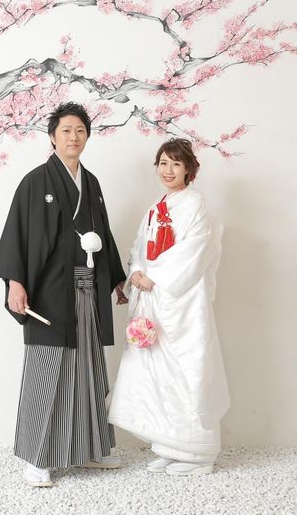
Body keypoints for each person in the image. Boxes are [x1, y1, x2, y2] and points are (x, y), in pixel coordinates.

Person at [0, 102, 127, 487]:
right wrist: (15, 282)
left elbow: (104, 233)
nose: (73, 137)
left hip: (87, 291)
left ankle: (90, 448)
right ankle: (37, 458)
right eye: (66, 130)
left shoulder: (91, 183)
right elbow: (16, 233)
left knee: (88, 369)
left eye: (80, 131)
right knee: (46, 369)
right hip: (50, 291)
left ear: (87, 137)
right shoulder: (36, 181)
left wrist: (116, 278)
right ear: (52, 137)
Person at [108, 138, 230, 476]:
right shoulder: (156, 207)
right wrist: (136, 270)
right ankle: (168, 445)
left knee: (186, 366)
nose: (168, 170)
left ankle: (197, 454)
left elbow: (194, 250)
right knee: (156, 371)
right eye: (163, 163)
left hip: (182, 303)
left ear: (189, 169)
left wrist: (155, 276)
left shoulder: (195, 205)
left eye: (176, 164)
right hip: (154, 301)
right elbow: (140, 246)